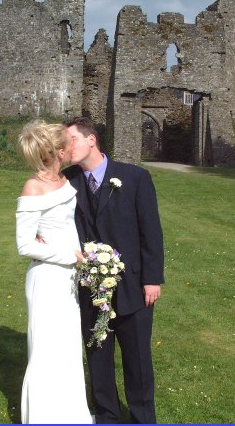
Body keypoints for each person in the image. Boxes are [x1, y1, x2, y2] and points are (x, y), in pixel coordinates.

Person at [63, 116, 165, 424]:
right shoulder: (66, 181)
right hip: (91, 290)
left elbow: (151, 232)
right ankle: (107, 417)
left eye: (72, 141)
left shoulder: (135, 178)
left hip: (133, 287)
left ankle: (143, 419)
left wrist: (152, 280)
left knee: (138, 362)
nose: (66, 149)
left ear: (91, 139)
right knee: (98, 361)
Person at [15, 120, 93, 424]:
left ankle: (73, 416)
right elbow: (24, 244)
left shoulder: (64, 179)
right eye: (68, 143)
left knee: (68, 350)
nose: (73, 145)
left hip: (69, 278)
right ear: (59, 151)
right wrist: (68, 256)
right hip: (47, 277)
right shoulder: (33, 187)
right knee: (46, 351)